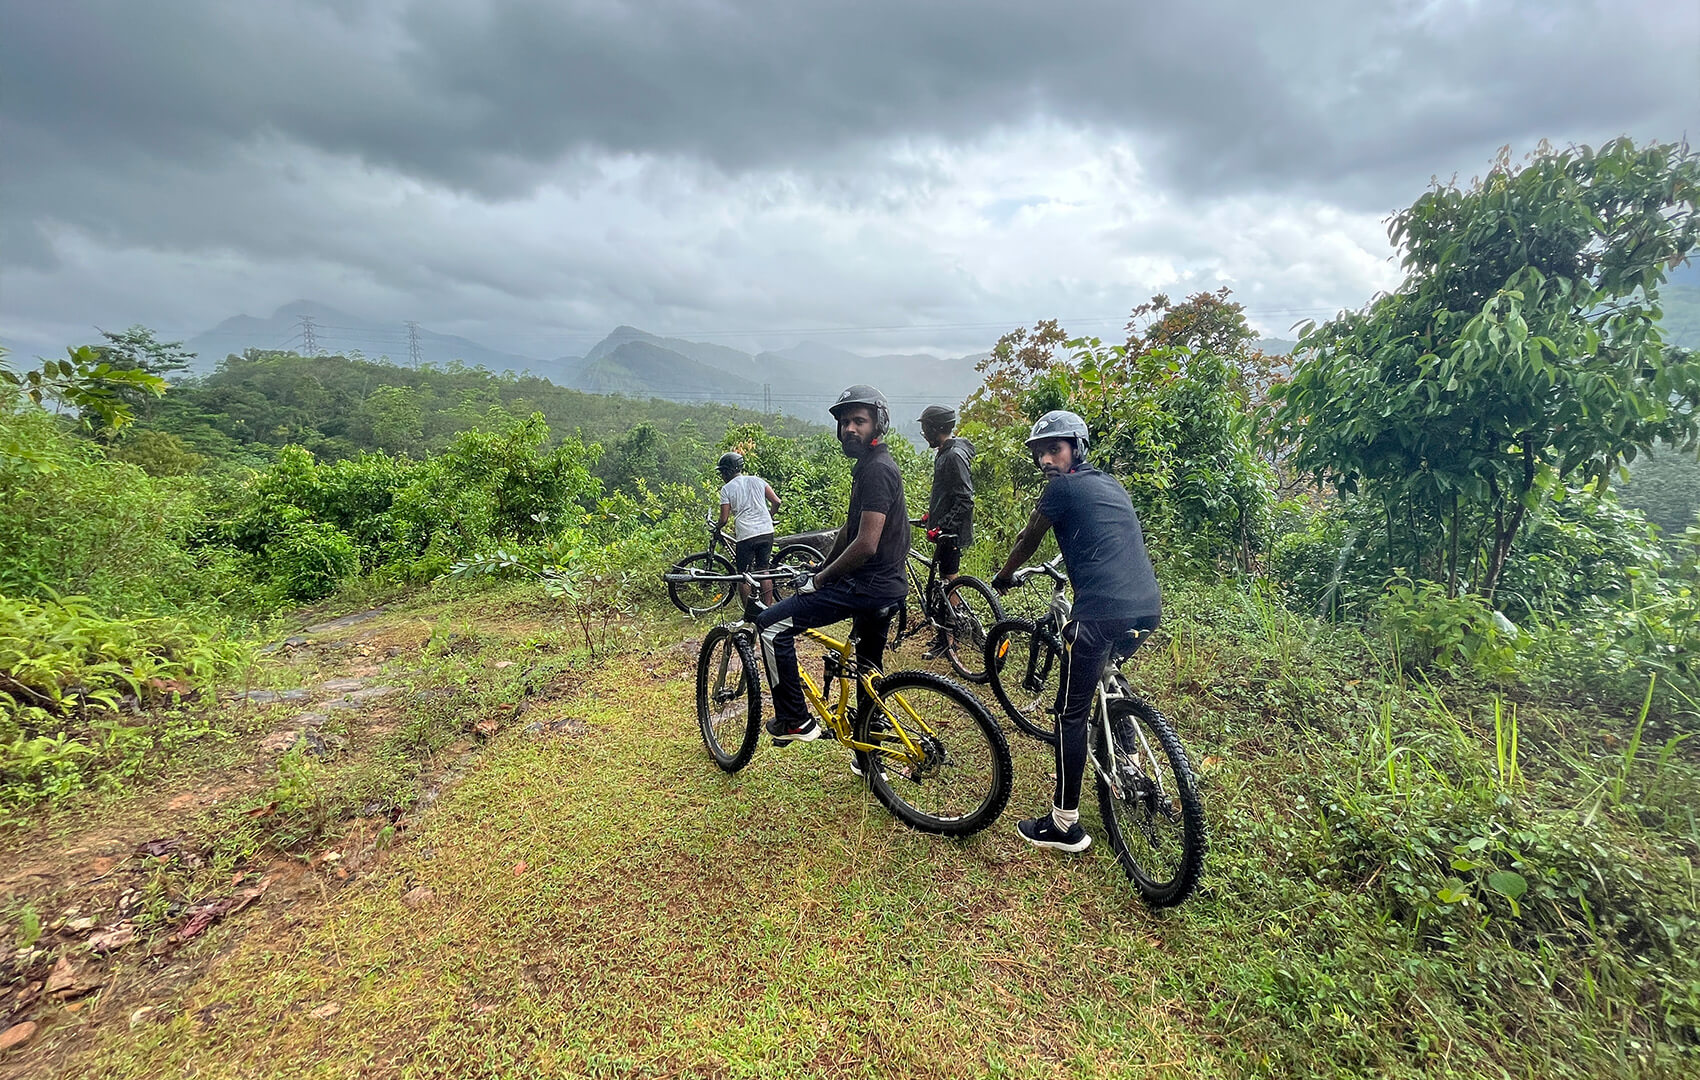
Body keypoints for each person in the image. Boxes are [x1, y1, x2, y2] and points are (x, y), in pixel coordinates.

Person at [991, 410, 1162, 853]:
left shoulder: (1061, 489)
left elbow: (1029, 538)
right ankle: (1130, 761)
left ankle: (1064, 823)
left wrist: (1005, 575)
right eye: (1041, 453)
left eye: (1055, 449)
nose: (1047, 460)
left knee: (1071, 712)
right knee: (1109, 673)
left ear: (1076, 449)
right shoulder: (1110, 484)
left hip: (1100, 612)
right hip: (1146, 609)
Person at [755, 385, 910, 746]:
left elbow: (866, 544)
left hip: (866, 585)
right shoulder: (870, 467)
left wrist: (821, 579)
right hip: (887, 587)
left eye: (859, 421)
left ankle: (794, 720)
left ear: (878, 424)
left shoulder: (876, 471)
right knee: (868, 669)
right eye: (844, 422)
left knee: (771, 626)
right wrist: (819, 567)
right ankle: (869, 752)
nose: (849, 429)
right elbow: (849, 531)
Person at [915, 404, 975, 660]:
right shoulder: (947, 451)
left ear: (934, 428)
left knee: (948, 585)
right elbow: (948, 495)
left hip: (950, 534)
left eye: (925, 428)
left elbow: (966, 499)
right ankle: (946, 638)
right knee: (946, 583)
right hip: (946, 531)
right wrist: (933, 517)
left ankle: (949, 642)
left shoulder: (953, 456)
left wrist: (943, 525)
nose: (924, 434)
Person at [716, 451, 782, 610]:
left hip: (746, 534)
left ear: (728, 471)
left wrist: (717, 528)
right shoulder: (758, 480)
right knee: (764, 570)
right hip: (766, 531)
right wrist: (768, 515)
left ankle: (749, 611)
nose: (722, 476)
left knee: (743, 575)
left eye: (722, 472)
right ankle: (768, 608)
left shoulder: (726, 489)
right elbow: (777, 501)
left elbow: (724, 519)